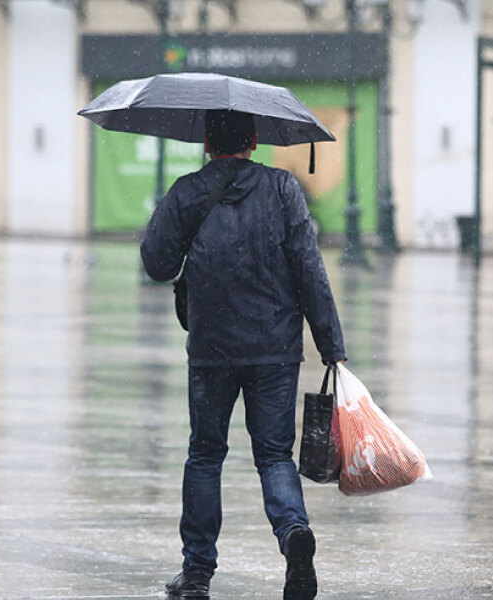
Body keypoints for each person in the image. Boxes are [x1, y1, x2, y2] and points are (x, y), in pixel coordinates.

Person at [141, 109, 346, 600]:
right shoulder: (283, 189)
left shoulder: (189, 191)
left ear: (208, 142)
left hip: (212, 348)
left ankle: (196, 574)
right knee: (275, 455)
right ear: (254, 140)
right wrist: (331, 345)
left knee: (205, 455)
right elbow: (309, 269)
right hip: (275, 348)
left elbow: (155, 262)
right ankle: (294, 533)